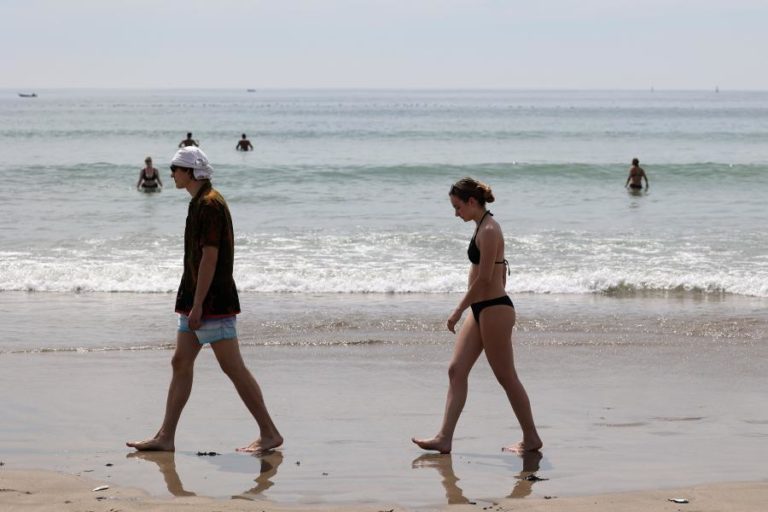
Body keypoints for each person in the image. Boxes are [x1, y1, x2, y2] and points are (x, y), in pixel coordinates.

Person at [127, 146, 282, 454]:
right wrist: (192, 301)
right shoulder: (199, 201)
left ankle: (269, 432)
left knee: (233, 367)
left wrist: (198, 305)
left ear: (191, 172)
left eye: (175, 169)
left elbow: (210, 257)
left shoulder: (210, 204)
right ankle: (166, 436)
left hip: (211, 301)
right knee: (180, 361)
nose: (171, 174)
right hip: (195, 298)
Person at [412, 177, 542, 454]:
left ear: (472, 202)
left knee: (506, 377)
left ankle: (531, 437)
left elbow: (484, 280)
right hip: (481, 308)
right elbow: (499, 269)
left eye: (458, 207)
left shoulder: (490, 230)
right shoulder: (481, 227)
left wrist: (458, 310)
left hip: (494, 308)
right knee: (456, 370)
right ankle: (444, 438)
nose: (455, 213)